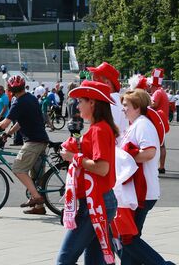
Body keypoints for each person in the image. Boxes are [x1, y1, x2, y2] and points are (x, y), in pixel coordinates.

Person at [57, 80, 118, 265]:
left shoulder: (99, 129)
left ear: (92, 102)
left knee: (65, 259)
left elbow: (102, 168)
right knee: (94, 261)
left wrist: (74, 158)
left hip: (94, 203)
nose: (77, 105)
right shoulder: (99, 128)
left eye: (81, 101)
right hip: (98, 200)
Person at [119, 89, 173, 265]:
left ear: (137, 106)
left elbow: (149, 152)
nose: (123, 109)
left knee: (127, 238)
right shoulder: (137, 124)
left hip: (141, 192)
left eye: (126, 105)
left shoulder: (142, 124)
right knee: (128, 238)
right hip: (137, 191)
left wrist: (126, 156)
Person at [0, 75, 50, 215]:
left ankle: (37, 198)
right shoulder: (31, 98)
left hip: (33, 142)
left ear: (10, 90)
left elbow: (3, 124)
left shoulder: (19, 102)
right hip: (40, 140)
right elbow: (20, 122)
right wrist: (9, 134)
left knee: (18, 168)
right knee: (36, 177)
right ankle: (39, 208)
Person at [149, 68, 169, 174]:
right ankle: (161, 166)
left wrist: (146, 101)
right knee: (162, 144)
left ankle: (160, 166)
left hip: (157, 121)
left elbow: (154, 104)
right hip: (162, 120)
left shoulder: (157, 92)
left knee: (159, 145)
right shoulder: (162, 92)